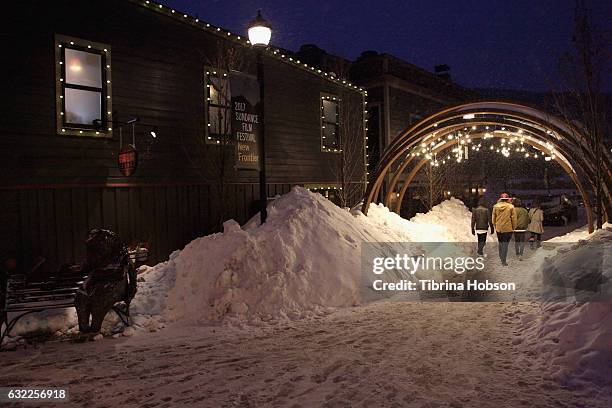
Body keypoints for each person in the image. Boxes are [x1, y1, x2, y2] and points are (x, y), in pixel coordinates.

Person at [492, 192, 516, 266]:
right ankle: (504, 260)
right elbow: (514, 218)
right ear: (507, 199)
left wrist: (495, 225)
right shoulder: (511, 207)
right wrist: (513, 227)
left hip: (499, 228)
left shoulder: (495, 207)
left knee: (501, 243)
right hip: (508, 228)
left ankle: (501, 256)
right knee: (505, 244)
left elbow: (493, 218)